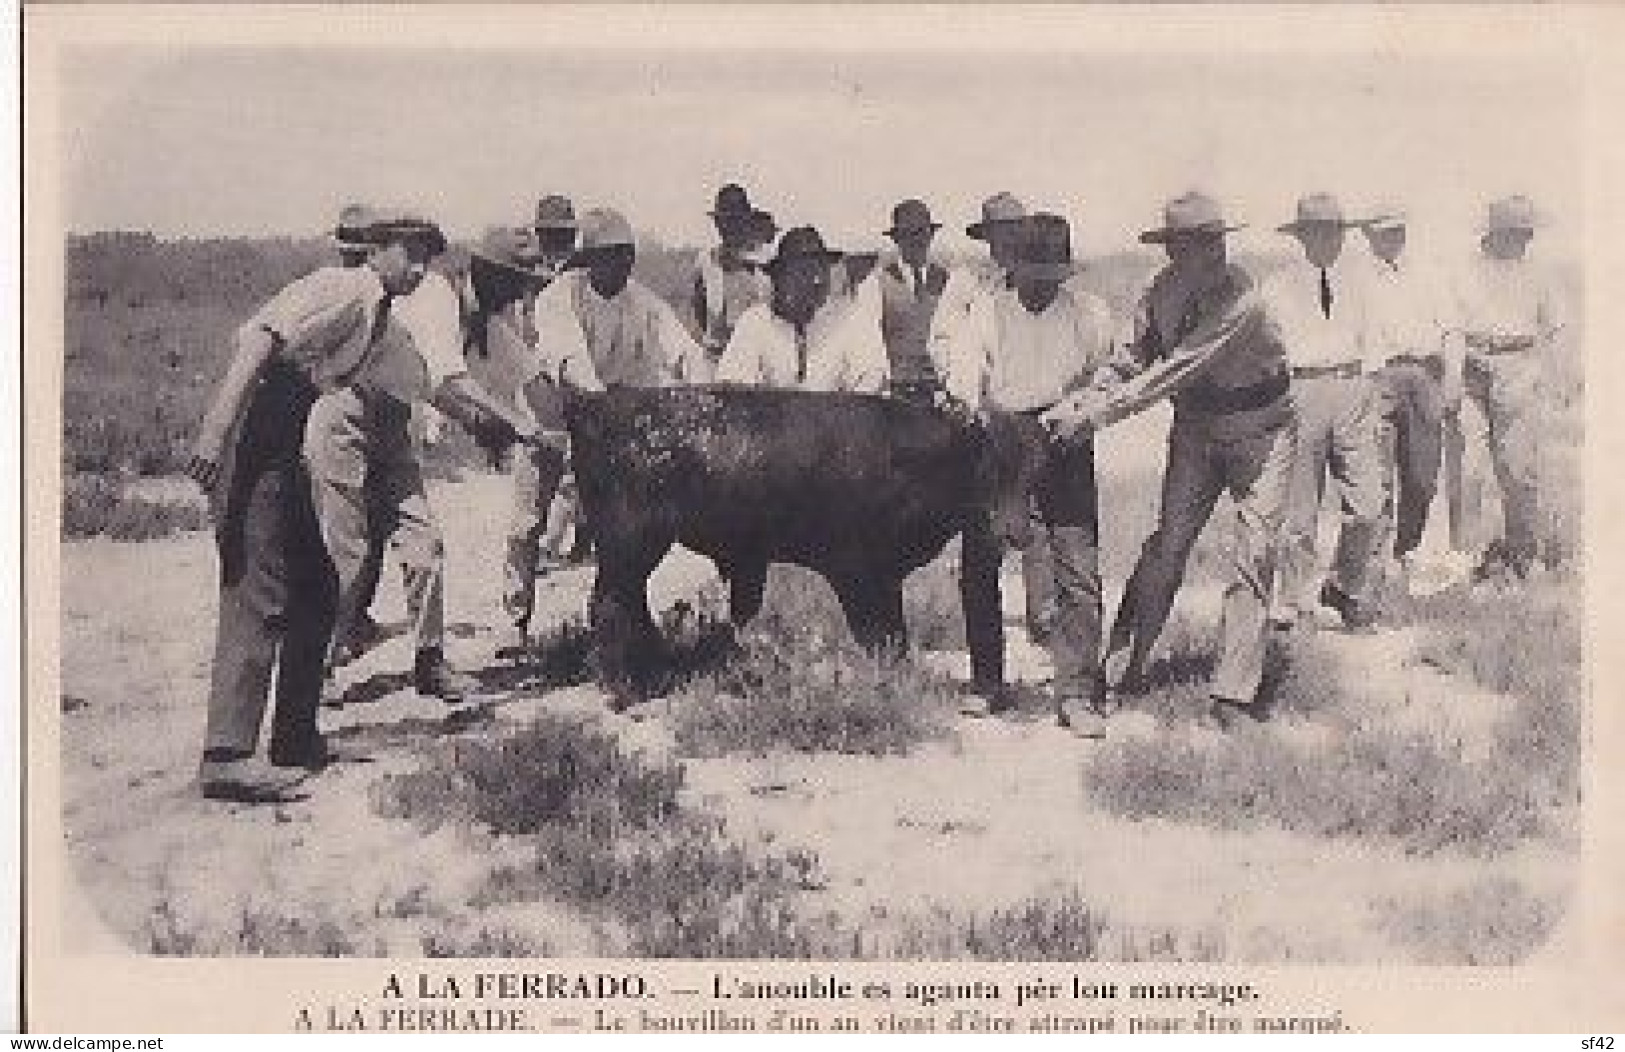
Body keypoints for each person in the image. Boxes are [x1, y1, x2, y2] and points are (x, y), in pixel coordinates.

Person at [185, 208, 446, 801]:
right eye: (411, 253)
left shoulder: (378, 316)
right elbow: (259, 341)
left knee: (319, 586)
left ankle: (296, 737)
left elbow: (427, 385)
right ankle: (226, 755)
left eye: (429, 257)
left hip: (288, 433)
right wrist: (215, 431)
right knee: (259, 586)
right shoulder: (346, 288)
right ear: (377, 250)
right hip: (256, 426)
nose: (420, 267)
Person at [1044, 192, 1298, 730]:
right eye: (1194, 246)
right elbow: (1132, 361)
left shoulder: (1242, 300)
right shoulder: (1160, 292)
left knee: (1255, 553)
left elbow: (1170, 373)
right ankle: (1118, 672)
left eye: (1215, 242)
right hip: (1198, 431)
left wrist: (1090, 419)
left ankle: (1232, 698)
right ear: (1173, 251)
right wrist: (1083, 400)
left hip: (1262, 432)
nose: (1211, 255)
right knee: (1166, 549)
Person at [303, 210, 534, 718]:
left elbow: (439, 387)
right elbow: (452, 382)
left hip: (393, 426)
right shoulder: (435, 297)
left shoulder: (483, 319)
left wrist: (498, 423)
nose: (517, 294)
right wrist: (516, 423)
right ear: (486, 273)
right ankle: (313, 670)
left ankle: (430, 662)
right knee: (348, 554)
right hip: (345, 416)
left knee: (424, 545)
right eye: (511, 281)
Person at [938, 213, 1116, 736]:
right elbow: (966, 370)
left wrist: (1081, 411)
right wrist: (974, 406)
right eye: (1033, 271)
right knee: (982, 561)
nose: (1042, 283)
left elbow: (1104, 373)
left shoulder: (1089, 314)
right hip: (1001, 438)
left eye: (1052, 274)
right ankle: (987, 681)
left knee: (1077, 565)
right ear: (1015, 267)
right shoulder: (989, 313)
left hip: (1064, 437)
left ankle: (1078, 692)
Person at [459, 197, 583, 658]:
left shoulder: (572, 290)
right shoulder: (469, 310)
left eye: (563, 236)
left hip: (567, 413)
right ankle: (516, 619)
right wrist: (528, 430)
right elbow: (469, 379)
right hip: (537, 422)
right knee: (525, 523)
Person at [935, 191, 1057, 646]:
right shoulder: (968, 283)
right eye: (998, 233)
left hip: (1037, 417)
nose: (1006, 241)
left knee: (1041, 524)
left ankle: (1043, 621)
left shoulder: (1040, 277)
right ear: (985, 237)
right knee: (983, 531)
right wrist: (968, 393)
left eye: (1014, 232)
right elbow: (944, 341)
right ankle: (989, 666)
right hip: (985, 422)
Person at [1264, 193, 1386, 632]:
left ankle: (1342, 587)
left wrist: (1367, 390)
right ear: (1303, 236)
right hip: (1301, 391)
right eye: (1319, 232)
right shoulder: (1277, 287)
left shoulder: (1361, 282)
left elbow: (1375, 340)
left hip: (1352, 389)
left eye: (1336, 232)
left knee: (1368, 504)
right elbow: (1269, 348)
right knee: (1300, 510)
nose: (1329, 240)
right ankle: (1295, 602)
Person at [1448, 194, 1565, 581]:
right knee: (1468, 467)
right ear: (1493, 235)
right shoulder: (1465, 272)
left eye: (1525, 235)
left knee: (1517, 469)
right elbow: (1453, 327)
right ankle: (1466, 557)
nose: (1520, 241)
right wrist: (1454, 375)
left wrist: (1546, 373)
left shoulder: (1540, 275)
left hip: (1519, 368)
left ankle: (1521, 554)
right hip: (1472, 369)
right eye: (1513, 234)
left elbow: (1557, 330)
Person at [1357, 208, 1471, 595]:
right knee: (1376, 476)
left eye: (1394, 232)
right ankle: (1376, 565)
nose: (1388, 239)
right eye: (1379, 233)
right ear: (1369, 237)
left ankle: (1408, 549)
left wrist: (1453, 379)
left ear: (1403, 233)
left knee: (1422, 476)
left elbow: (1453, 329)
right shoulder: (1359, 280)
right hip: (1378, 380)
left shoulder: (1431, 275)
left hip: (1424, 377)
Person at [533, 206, 707, 391]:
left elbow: (684, 351)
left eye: (628, 254)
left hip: (622, 401)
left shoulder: (643, 302)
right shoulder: (559, 296)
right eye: (612, 254)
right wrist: (603, 401)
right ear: (590, 258)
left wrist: (706, 388)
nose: (624, 262)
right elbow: (572, 363)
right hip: (570, 400)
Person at [715, 225, 891, 393]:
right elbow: (732, 384)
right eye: (803, 272)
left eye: (821, 270)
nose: (816, 281)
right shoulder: (755, 322)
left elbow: (871, 381)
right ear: (780, 278)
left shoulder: (855, 322)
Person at [691, 183, 776, 375]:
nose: (728, 228)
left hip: (754, 362)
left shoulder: (767, 262)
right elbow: (700, 308)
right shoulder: (706, 261)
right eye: (723, 221)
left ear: (746, 221)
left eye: (735, 221)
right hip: (714, 360)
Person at [877, 199, 951, 404]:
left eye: (923, 233)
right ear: (897, 239)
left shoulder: (945, 280)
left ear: (931, 236)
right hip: (895, 395)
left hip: (938, 395)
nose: (918, 241)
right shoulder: (879, 283)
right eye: (909, 235)